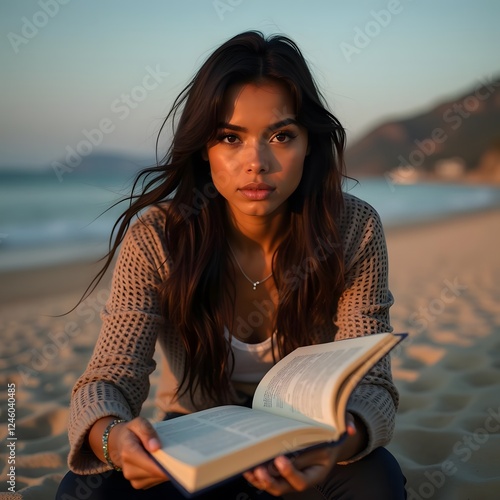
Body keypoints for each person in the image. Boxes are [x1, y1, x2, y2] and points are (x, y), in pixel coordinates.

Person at [56, 31, 407, 499]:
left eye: (281, 135)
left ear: (309, 143)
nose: (256, 163)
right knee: (87, 488)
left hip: (306, 440)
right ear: (205, 147)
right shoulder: (158, 239)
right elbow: (109, 377)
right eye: (230, 137)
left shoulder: (352, 229)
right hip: (193, 435)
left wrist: (338, 442)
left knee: (375, 481)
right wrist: (112, 440)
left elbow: (373, 385)